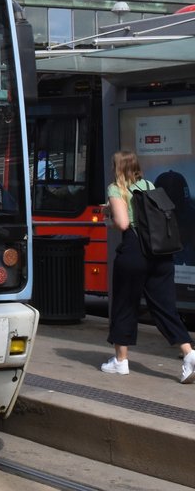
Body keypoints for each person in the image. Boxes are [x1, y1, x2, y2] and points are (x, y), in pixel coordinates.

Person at [101, 150, 195, 383]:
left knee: (124, 304)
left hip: (134, 250)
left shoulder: (115, 189)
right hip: (160, 253)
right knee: (164, 307)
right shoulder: (149, 185)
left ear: (118, 168)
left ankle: (121, 362)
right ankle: (189, 353)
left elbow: (123, 223)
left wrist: (108, 217)